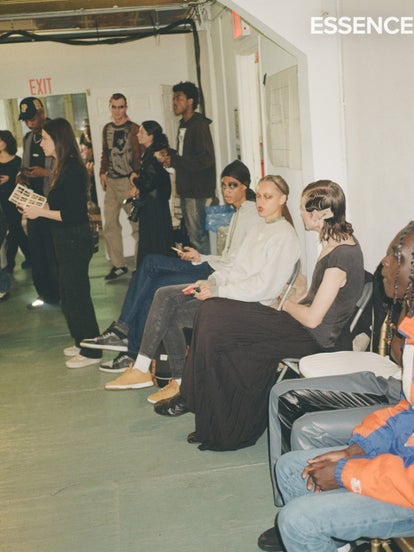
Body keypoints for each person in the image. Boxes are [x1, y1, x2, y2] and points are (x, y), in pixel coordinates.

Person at [157, 180, 365, 452]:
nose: (300, 213)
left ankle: (214, 417)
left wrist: (284, 303)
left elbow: (314, 319)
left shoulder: (341, 257)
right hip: (305, 327)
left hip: (318, 339)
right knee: (212, 311)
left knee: (217, 319)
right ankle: (209, 417)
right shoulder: (333, 243)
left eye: (303, 209)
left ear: (318, 214)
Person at [257, 223, 414, 552]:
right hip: (400, 463)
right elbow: (406, 413)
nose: (384, 262)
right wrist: (355, 451)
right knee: (291, 468)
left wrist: (346, 472)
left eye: (396, 256)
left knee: (297, 520)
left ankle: (315, 528)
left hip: (408, 489)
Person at [104, 175, 300, 404]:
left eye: (268, 197)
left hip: (253, 307)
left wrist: (219, 291)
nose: (261, 202)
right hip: (235, 296)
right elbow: (235, 266)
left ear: (282, 199)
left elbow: (265, 288)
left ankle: (151, 371)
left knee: (169, 307)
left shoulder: (285, 236)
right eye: (258, 196)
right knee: (165, 295)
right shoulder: (260, 227)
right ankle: (165, 377)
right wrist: (212, 282)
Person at [81, 160, 259, 374]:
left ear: (245, 186)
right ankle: (127, 342)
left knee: (152, 272)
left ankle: (126, 338)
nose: (226, 190)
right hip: (212, 266)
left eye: (233, 185)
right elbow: (230, 257)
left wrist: (204, 260)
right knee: (151, 275)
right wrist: (200, 256)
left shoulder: (250, 215)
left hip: (215, 273)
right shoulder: (239, 212)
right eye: (224, 185)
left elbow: (237, 263)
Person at [21, 118, 101, 369]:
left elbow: (72, 214)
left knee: (77, 295)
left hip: (74, 238)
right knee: (68, 293)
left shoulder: (72, 169)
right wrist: (36, 206)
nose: (41, 143)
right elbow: (59, 204)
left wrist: (40, 213)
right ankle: (81, 340)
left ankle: (92, 350)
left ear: (58, 140)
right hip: (65, 239)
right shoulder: (61, 166)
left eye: (45, 138)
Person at [18, 97, 59, 309]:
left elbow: (65, 168)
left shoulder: (55, 134)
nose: (30, 123)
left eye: (32, 119)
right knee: (37, 252)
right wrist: (21, 176)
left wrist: (46, 172)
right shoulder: (27, 138)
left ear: (42, 114)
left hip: (52, 203)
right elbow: (24, 165)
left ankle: (60, 293)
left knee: (53, 253)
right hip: (33, 203)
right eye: (26, 120)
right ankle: (44, 294)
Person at [167, 81, 216, 254]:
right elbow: (185, 155)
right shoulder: (184, 124)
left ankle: (204, 268)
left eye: (179, 98)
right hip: (187, 188)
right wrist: (170, 156)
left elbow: (206, 159)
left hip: (197, 191)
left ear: (190, 101)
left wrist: (175, 160)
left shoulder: (199, 125)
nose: (174, 102)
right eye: (174, 98)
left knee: (198, 237)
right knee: (192, 235)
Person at [99, 93, 142, 281]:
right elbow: (105, 152)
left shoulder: (134, 129)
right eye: (114, 107)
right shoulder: (107, 129)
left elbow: (140, 155)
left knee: (137, 225)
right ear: (110, 107)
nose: (117, 111)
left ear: (126, 107)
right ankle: (118, 265)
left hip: (128, 183)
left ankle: (141, 265)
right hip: (112, 182)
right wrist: (102, 171)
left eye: (121, 107)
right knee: (109, 224)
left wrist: (137, 179)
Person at [129, 121, 174, 266]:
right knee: (157, 238)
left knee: (154, 238)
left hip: (153, 203)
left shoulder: (153, 154)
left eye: (142, 132)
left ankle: (155, 269)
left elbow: (148, 182)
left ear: (151, 136)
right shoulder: (153, 152)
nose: (138, 135)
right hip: (156, 202)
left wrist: (134, 179)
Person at [0, 130, 30, 272]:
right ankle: (30, 257)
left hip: (15, 198)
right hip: (1, 200)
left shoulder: (17, 161)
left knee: (14, 227)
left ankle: (10, 262)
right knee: (15, 229)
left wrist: (10, 179)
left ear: (7, 142)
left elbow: (23, 179)